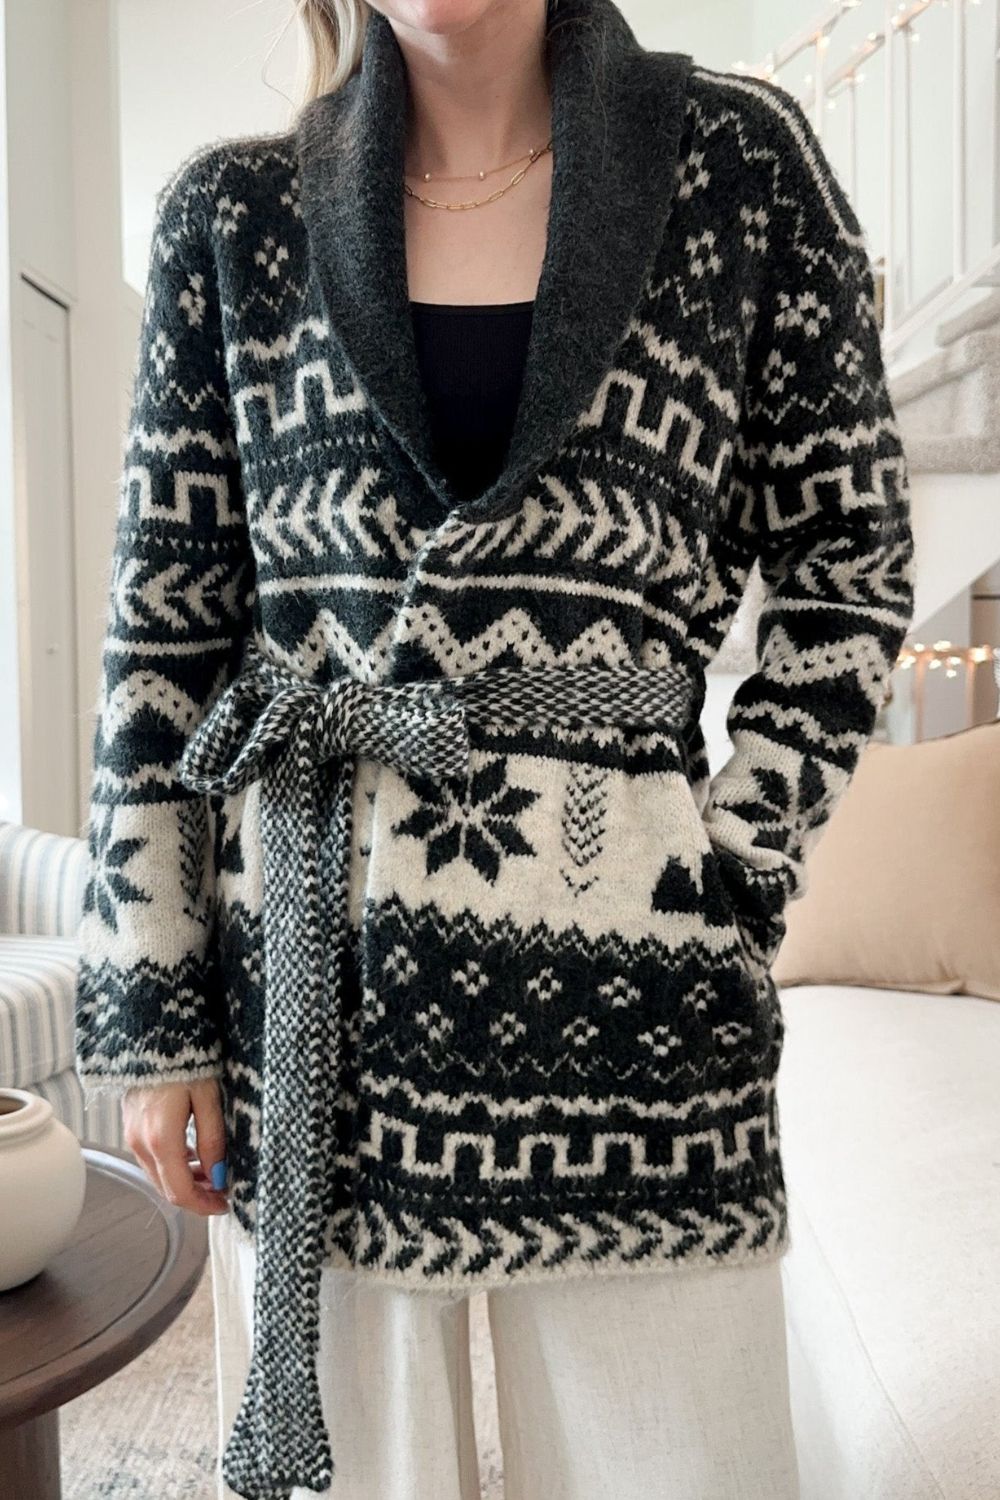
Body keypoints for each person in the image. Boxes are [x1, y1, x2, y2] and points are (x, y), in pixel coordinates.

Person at [73, 0, 916, 1497]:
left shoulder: (741, 172)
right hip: (315, 1006)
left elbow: (848, 565)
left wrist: (735, 868)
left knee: (684, 1468)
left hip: (638, 1009)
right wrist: (157, 1013)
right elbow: (163, 640)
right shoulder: (231, 219)